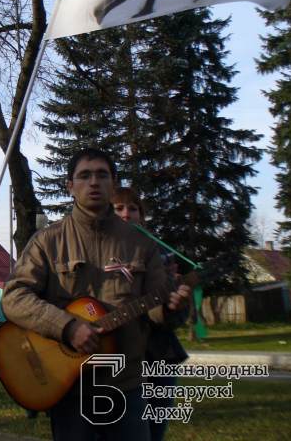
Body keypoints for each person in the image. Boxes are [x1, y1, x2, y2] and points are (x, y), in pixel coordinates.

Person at [1, 148, 190, 441]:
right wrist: (67, 327)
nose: (93, 182)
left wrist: (172, 309)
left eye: (102, 175)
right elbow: (13, 297)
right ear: (70, 185)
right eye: (84, 175)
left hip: (127, 386)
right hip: (70, 389)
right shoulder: (47, 242)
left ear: (113, 183)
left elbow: (156, 310)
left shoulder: (141, 244)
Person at [112, 186, 188, 441]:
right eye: (118, 208)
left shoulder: (160, 252)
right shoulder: (98, 251)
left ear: (142, 216)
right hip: (115, 356)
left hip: (157, 353)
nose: (126, 214)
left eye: (133, 209)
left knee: (154, 428)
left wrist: (175, 306)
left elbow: (176, 316)